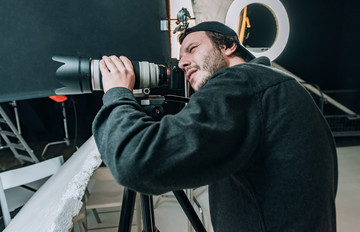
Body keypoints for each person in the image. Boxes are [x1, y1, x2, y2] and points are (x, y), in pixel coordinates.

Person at [92, 21, 337, 231]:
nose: (182, 63)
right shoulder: (277, 87)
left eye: (192, 49)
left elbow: (135, 161)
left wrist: (117, 92)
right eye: (181, 56)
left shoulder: (241, 81)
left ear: (228, 45)